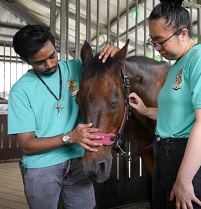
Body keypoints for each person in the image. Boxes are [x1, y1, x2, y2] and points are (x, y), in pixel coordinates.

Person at [128, 1, 201, 208]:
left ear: (183, 34)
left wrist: (184, 179)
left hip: (194, 161)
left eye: (161, 41)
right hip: (166, 155)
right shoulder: (177, 65)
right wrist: (145, 110)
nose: (157, 48)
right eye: (153, 41)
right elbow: (176, 113)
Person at [7, 25, 119, 209]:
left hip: (77, 162)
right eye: (40, 62)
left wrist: (114, 55)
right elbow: (26, 144)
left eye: (52, 56)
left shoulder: (78, 67)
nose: (50, 65)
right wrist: (70, 137)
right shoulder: (21, 90)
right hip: (41, 168)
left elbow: (109, 74)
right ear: (26, 60)